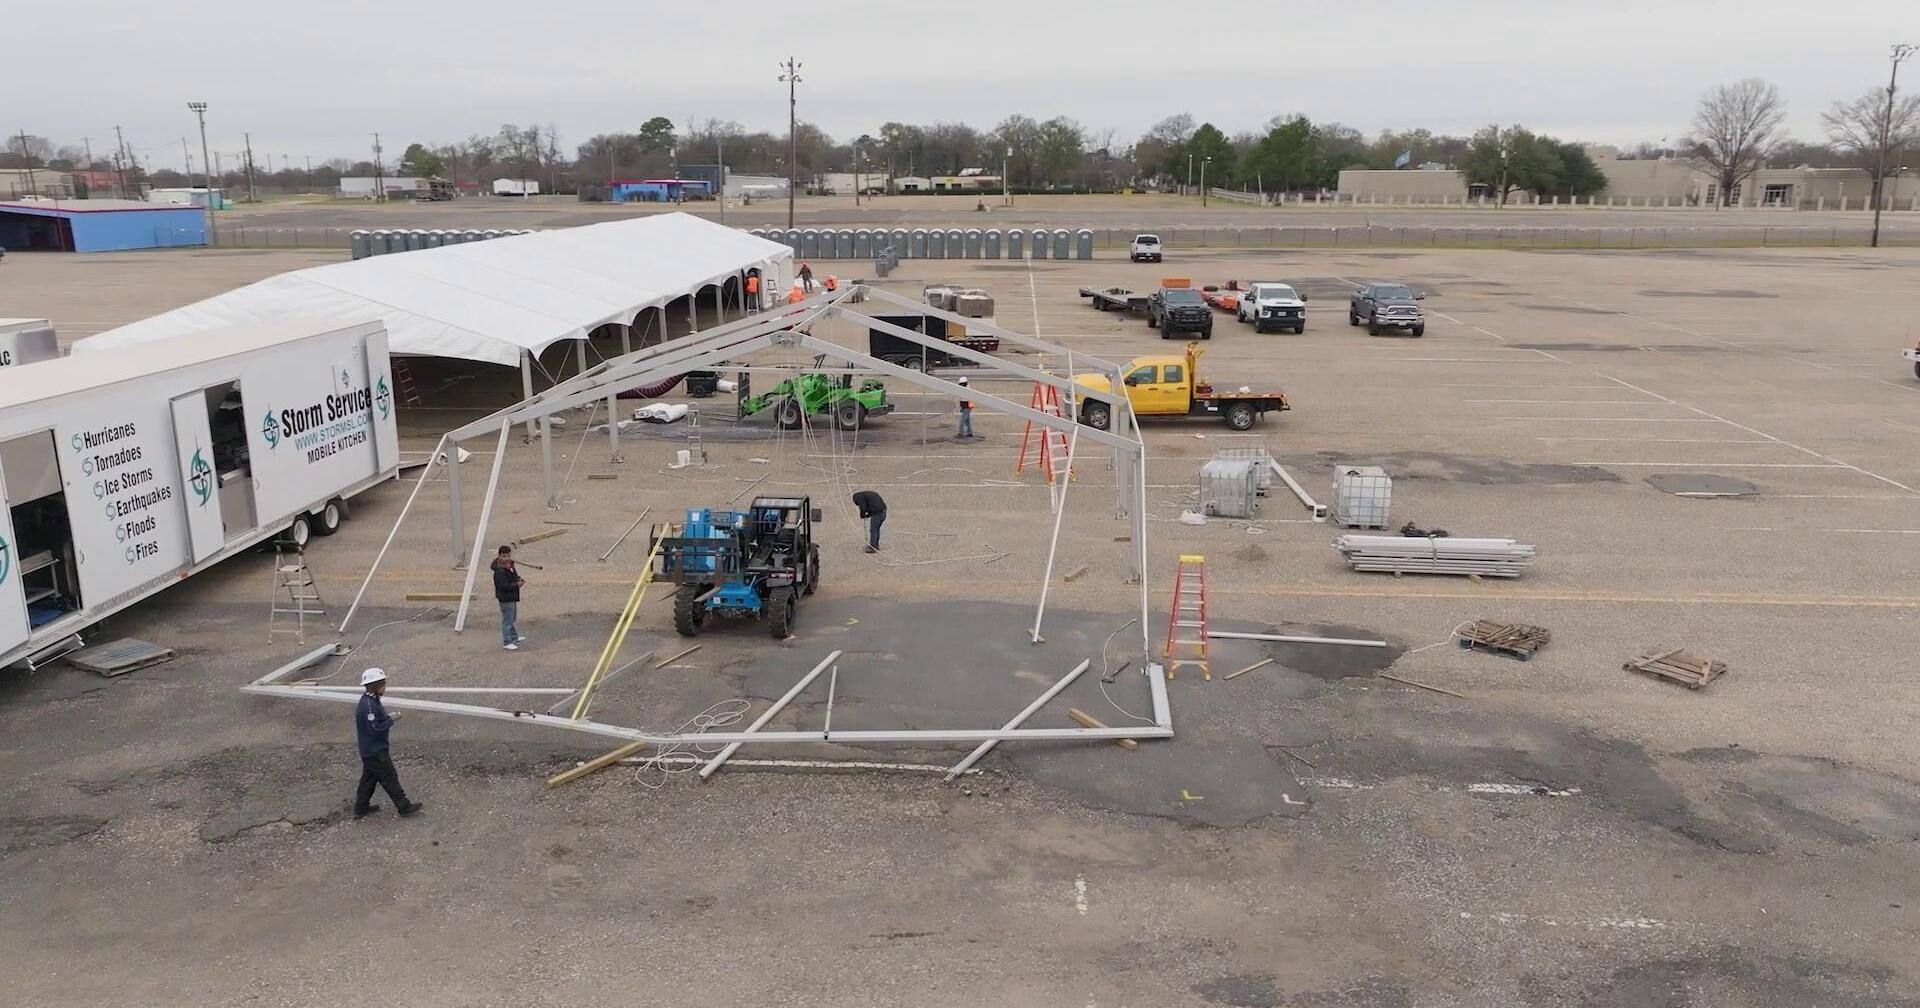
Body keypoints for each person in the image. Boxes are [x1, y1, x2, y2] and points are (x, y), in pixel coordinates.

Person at [354, 668, 422, 818]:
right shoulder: (369, 706)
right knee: (389, 776)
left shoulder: (370, 700)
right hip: (375, 750)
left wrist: (386, 718)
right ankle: (403, 806)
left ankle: (361, 808)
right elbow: (374, 728)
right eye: (383, 684)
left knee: (369, 779)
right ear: (375, 686)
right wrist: (391, 720)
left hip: (369, 750)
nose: (385, 687)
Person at [491, 544, 526, 650]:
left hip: (511, 596)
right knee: (507, 620)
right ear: (499, 556)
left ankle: (514, 637)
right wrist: (517, 585)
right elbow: (503, 586)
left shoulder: (509, 566)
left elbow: (513, 576)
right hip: (505, 598)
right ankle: (507, 641)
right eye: (504, 556)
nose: (506, 558)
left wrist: (518, 579)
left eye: (508, 556)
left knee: (512, 617)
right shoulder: (500, 571)